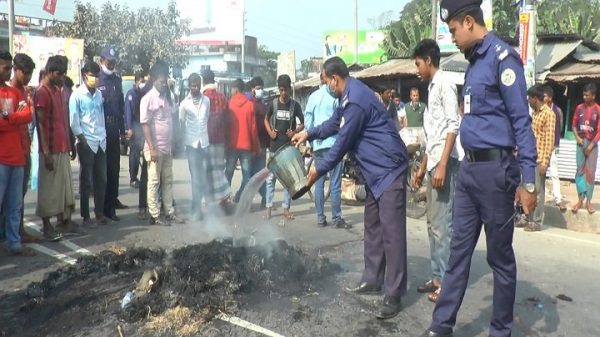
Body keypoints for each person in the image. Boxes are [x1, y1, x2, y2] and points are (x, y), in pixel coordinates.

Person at [421, 2, 538, 336]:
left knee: (499, 259)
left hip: (496, 172)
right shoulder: (473, 65)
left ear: (469, 22)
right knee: (458, 253)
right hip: (470, 172)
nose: (452, 38)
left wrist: (528, 183)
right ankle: (440, 326)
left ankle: (500, 331)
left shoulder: (503, 59)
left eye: (454, 29)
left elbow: (521, 123)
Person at [292, 56, 408, 320]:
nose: (325, 87)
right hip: (374, 174)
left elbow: (342, 142)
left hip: (388, 169)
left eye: (325, 82)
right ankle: (373, 278)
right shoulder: (348, 96)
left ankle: (394, 293)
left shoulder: (355, 99)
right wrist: (308, 133)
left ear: (334, 79)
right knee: (373, 226)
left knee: (392, 233)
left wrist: (317, 170)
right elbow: (334, 123)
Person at [411, 39, 460, 303]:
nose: (417, 68)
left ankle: (447, 285)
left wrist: (441, 164)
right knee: (432, 225)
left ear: (428, 61)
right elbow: (433, 135)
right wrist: (422, 168)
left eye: (418, 63)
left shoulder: (445, 84)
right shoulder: (431, 87)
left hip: (446, 164)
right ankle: (437, 277)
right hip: (433, 164)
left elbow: (453, 126)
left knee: (443, 226)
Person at [35, 55, 80, 240]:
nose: (62, 77)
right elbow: (40, 125)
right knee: (49, 190)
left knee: (63, 188)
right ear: (50, 72)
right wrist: (46, 152)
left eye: (64, 74)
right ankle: (46, 227)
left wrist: (70, 144)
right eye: (59, 74)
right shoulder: (42, 92)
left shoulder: (57, 89)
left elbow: (63, 121)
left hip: (62, 146)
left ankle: (65, 222)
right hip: (50, 149)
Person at [140, 61, 186, 226]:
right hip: (154, 148)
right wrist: (152, 148)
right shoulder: (147, 99)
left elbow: (170, 120)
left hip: (167, 148)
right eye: (161, 80)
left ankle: (169, 212)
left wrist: (172, 142)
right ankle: (154, 214)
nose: (164, 83)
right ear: (153, 80)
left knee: (168, 180)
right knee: (154, 181)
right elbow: (145, 124)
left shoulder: (168, 98)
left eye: (165, 80)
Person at [0, 51, 35, 256]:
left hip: (17, 157)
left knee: (15, 204)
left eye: (8, 67)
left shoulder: (12, 94)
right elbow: (2, 123)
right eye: (5, 67)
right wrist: (15, 117)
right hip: (2, 158)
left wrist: (10, 117)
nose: (8, 71)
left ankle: (14, 243)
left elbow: (27, 116)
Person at [304, 73, 347, 228]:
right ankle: (336, 218)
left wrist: (311, 142)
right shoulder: (335, 97)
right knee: (335, 183)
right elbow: (340, 122)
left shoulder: (313, 97)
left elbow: (308, 121)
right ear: (328, 80)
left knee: (319, 183)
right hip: (334, 145)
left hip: (318, 145)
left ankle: (320, 218)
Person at [69, 61, 109, 228]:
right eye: (93, 75)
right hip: (86, 142)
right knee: (86, 181)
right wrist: (81, 138)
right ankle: (86, 216)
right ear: (85, 75)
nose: (95, 79)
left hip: (101, 141)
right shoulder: (76, 95)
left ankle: (99, 213)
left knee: (102, 179)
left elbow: (100, 116)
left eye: (97, 76)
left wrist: (104, 135)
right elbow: (73, 121)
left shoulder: (99, 95)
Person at [7, 53, 40, 243]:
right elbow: (10, 119)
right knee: (10, 197)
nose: (27, 77)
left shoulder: (25, 92)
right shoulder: (9, 92)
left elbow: (27, 117)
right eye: (25, 73)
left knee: (20, 195)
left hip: (24, 148)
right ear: (15, 70)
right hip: (10, 150)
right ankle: (13, 234)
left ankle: (19, 231)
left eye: (30, 73)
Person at [264, 74, 304, 220]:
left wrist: (295, 131)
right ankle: (268, 208)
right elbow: (265, 119)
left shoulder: (295, 105)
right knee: (270, 181)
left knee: (288, 181)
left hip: (288, 149)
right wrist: (270, 132)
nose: (284, 93)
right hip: (274, 148)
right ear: (278, 89)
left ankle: (286, 209)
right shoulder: (273, 104)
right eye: (281, 90)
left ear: (289, 88)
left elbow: (303, 123)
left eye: (286, 90)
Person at [518, 84, 555, 232]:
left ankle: (537, 221)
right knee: (528, 188)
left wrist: (545, 162)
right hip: (529, 157)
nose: (528, 100)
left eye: (529, 98)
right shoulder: (535, 113)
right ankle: (527, 217)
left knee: (539, 191)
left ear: (535, 98)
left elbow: (549, 139)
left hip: (540, 159)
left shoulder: (548, 114)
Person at [98, 45, 127, 222]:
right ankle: (100, 208)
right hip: (101, 130)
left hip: (114, 128)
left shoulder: (117, 80)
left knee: (114, 169)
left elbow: (121, 108)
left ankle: (110, 207)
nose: (111, 64)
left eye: (113, 62)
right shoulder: (97, 80)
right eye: (109, 61)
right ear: (102, 61)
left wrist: (123, 131)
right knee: (102, 171)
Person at [202, 70, 234, 213]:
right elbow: (228, 121)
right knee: (219, 171)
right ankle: (223, 200)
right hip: (220, 141)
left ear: (203, 81)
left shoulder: (202, 98)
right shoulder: (222, 98)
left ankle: (209, 202)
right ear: (213, 80)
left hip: (206, 141)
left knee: (207, 172)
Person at [179, 73, 210, 221]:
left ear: (200, 84)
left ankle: (198, 207)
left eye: (197, 85)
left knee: (203, 177)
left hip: (204, 144)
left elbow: (207, 118)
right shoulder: (184, 104)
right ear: (189, 86)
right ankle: (196, 209)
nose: (195, 87)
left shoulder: (207, 101)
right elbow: (181, 122)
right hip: (191, 145)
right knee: (195, 178)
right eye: (193, 85)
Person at [225, 78, 259, 203]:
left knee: (228, 173)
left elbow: (226, 127)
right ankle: (240, 197)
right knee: (247, 176)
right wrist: (255, 147)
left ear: (236, 89)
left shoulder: (229, 104)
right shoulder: (250, 105)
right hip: (246, 146)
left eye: (232, 89)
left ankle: (225, 199)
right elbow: (253, 129)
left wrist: (225, 146)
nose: (231, 91)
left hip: (232, 145)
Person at [571, 83, 600, 214]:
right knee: (579, 171)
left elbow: (599, 130)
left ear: (593, 96)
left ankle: (589, 201)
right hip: (580, 143)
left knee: (590, 173)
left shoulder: (598, 110)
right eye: (583, 94)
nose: (584, 97)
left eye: (587, 95)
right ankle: (580, 200)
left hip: (592, 144)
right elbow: (573, 125)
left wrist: (591, 145)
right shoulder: (579, 108)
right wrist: (577, 138)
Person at [543, 85, 566, 211]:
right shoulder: (539, 110)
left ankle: (558, 198)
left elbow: (560, 129)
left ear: (550, 98)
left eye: (544, 96)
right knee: (540, 173)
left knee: (554, 172)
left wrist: (554, 146)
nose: (543, 97)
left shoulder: (557, 111)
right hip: (541, 147)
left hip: (553, 146)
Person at [248, 76, 269, 209]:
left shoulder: (264, 106)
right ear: (252, 90)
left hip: (261, 145)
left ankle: (265, 198)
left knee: (260, 174)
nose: (260, 91)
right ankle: (245, 200)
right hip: (251, 146)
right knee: (250, 174)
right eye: (257, 88)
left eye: (261, 88)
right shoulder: (250, 105)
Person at [125, 71, 148, 189]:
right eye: (142, 81)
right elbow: (128, 112)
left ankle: (143, 177)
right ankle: (133, 178)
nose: (143, 83)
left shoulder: (142, 94)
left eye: (144, 81)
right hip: (134, 127)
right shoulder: (131, 94)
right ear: (136, 81)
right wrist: (129, 128)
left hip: (142, 127)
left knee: (142, 153)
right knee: (134, 154)